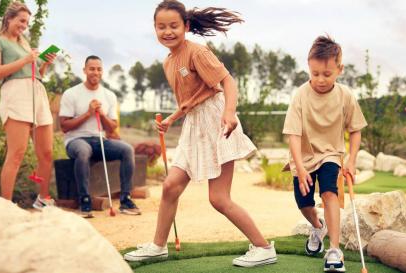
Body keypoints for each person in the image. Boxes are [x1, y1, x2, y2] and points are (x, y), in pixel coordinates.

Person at [123, 0, 276, 267]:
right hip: (193, 127)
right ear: (155, 29)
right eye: (161, 27)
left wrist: (229, 113)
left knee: (218, 198)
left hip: (217, 124)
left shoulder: (197, 52)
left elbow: (227, 81)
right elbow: (192, 99)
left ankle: (263, 247)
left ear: (186, 26)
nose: (167, 31)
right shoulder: (169, 62)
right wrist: (171, 119)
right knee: (170, 186)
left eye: (173, 26)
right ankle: (159, 246)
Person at [283, 35, 367, 272]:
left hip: (331, 154)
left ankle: (334, 250)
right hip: (304, 158)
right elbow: (293, 135)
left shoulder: (345, 96)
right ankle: (317, 226)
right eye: (315, 73)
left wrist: (351, 160)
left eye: (327, 74)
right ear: (308, 67)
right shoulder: (300, 95)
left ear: (339, 69)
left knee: (329, 192)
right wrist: (299, 168)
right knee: (303, 203)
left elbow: (356, 130)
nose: (320, 79)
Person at [0, 1, 56, 209]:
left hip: (38, 93)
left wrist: (45, 64)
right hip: (16, 95)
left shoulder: (24, 43)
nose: (24, 25)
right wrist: (25, 60)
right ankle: (5, 206)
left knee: (47, 152)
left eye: (26, 22)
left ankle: (43, 199)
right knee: (16, 153)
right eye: (21, 20)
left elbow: (36, 75)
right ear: (9, 19)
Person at [59, 55, 141, 217]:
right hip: (76, 140)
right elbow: (64, 126)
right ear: (84, 70)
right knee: (83, 151)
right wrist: (88, 113)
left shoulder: (109, 95)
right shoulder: (71, 93)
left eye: (99, 69)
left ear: (102, 72)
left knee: (127, 149)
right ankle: (84, 201)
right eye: (91, 69)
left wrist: (102, 115)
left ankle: (125, 200)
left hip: (100, 140)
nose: (95, 72)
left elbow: (112, 127)